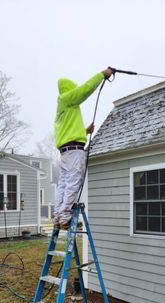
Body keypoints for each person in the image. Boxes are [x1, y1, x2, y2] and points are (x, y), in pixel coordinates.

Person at [53, 68, 114, 230]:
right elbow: (85, 89)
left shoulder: (63, 108)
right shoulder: (66, 98)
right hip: (74, 151)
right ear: (70, 89)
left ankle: (58, 216)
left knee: (64, 183)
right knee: (73, 181)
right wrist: (102, 75)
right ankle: (65, 216)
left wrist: (85, 132)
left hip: (66, 151)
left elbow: (67, 132)